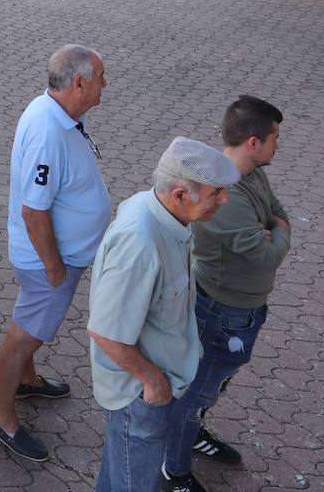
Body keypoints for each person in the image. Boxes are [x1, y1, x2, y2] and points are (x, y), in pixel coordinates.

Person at [88, 138, 239, 492]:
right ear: (181, 195)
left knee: (118, 476)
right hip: (139, 397)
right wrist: (153, 384)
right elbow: (106, 332)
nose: (225, 200)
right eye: (217, 192)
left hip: (148, 389)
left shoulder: (159, 211)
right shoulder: (140, 243)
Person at [0, 46, 111, 463]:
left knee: (35, 328)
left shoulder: (62, 113)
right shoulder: (48, 131)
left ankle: (28, 380)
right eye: (100, 80)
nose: (104, 87)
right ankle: (3, 418)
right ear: (77, 84)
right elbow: (33, 210)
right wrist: (54, 266)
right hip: (47, 261)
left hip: (59, 258)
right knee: (25, 336)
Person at [161, 97, 290, 491]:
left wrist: (274, 225)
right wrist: (276, 230)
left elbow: (276, 210)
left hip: (242, 309)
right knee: (196, 392)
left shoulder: (250, 175)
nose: (278, 146)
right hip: (221, 313)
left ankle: (194, 432)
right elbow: (266, 252)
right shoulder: (227, 190)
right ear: (253, 142)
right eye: (274, 138)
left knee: (213, 385)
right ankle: (174, 470)